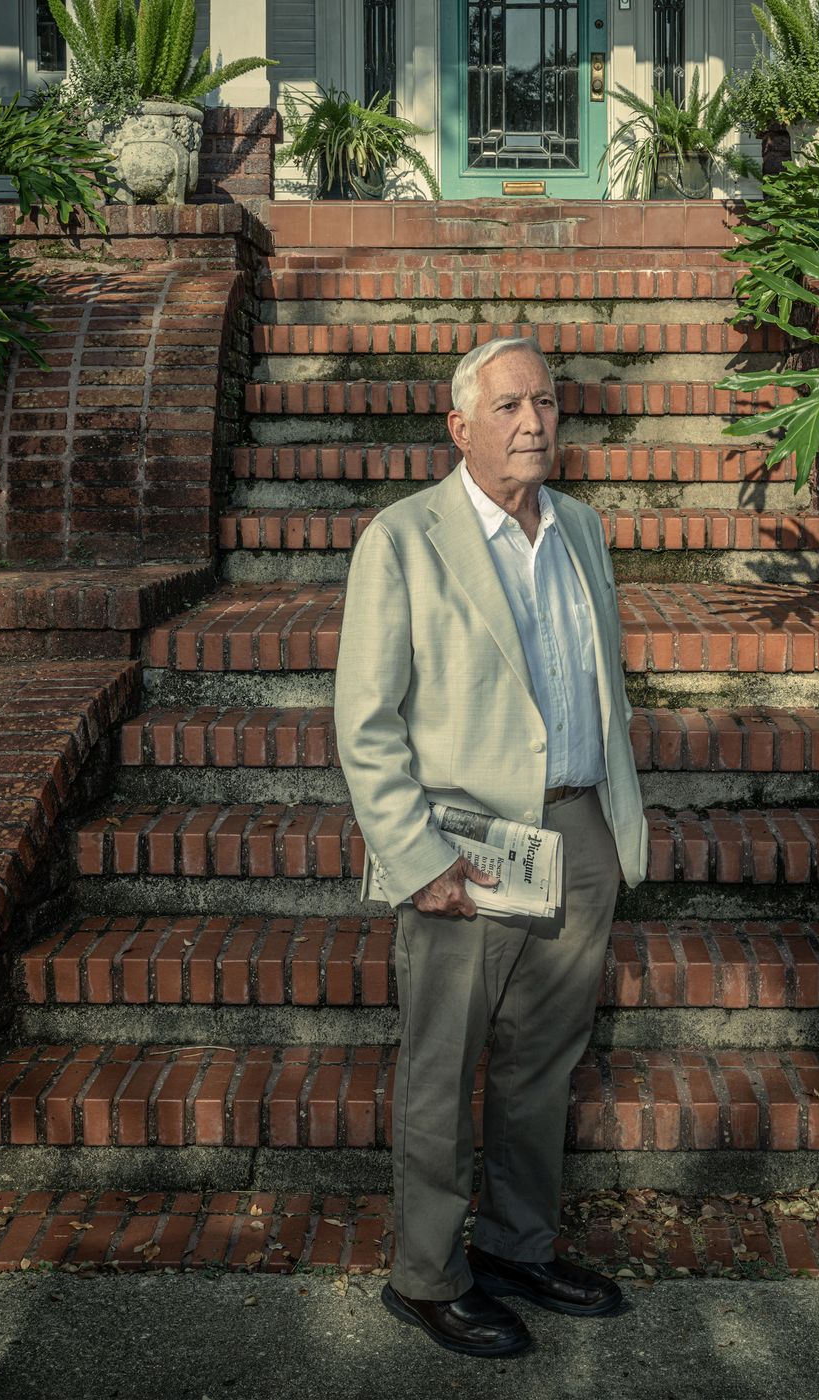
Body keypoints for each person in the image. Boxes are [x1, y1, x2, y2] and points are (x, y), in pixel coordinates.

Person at [333, 336, 649, 1358]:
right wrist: (416, 854)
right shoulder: (404, 537)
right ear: (459, 426)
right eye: (509, 405)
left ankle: (515, 1246)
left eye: (546, 403)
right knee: (442, 1066)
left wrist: (608, 819)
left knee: (540, 1063)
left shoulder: (581, 528)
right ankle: (426, 1274)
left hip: (577, 828)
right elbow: (366, 719)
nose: (533, 421)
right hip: (462, 847)